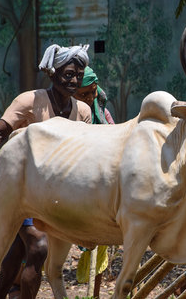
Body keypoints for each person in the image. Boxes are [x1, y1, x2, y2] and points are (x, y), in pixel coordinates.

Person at [0, 43, 92, 299]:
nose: (74, 80)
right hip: (20, 190)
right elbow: (0, 132)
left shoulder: (83, 112)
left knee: (17, 251)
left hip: (56, 197)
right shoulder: (30, 101)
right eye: (68, 74)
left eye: (79, 76)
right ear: (52, 73)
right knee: (39, 248)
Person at [73, 66, 114, 298]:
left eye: (92, 92)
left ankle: (95, 294)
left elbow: (112, 132)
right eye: (83, 95)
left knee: (99, 241)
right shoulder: (68, 112)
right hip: (72, 183)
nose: (89, 98)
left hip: (98, 183)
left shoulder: (100, 109)